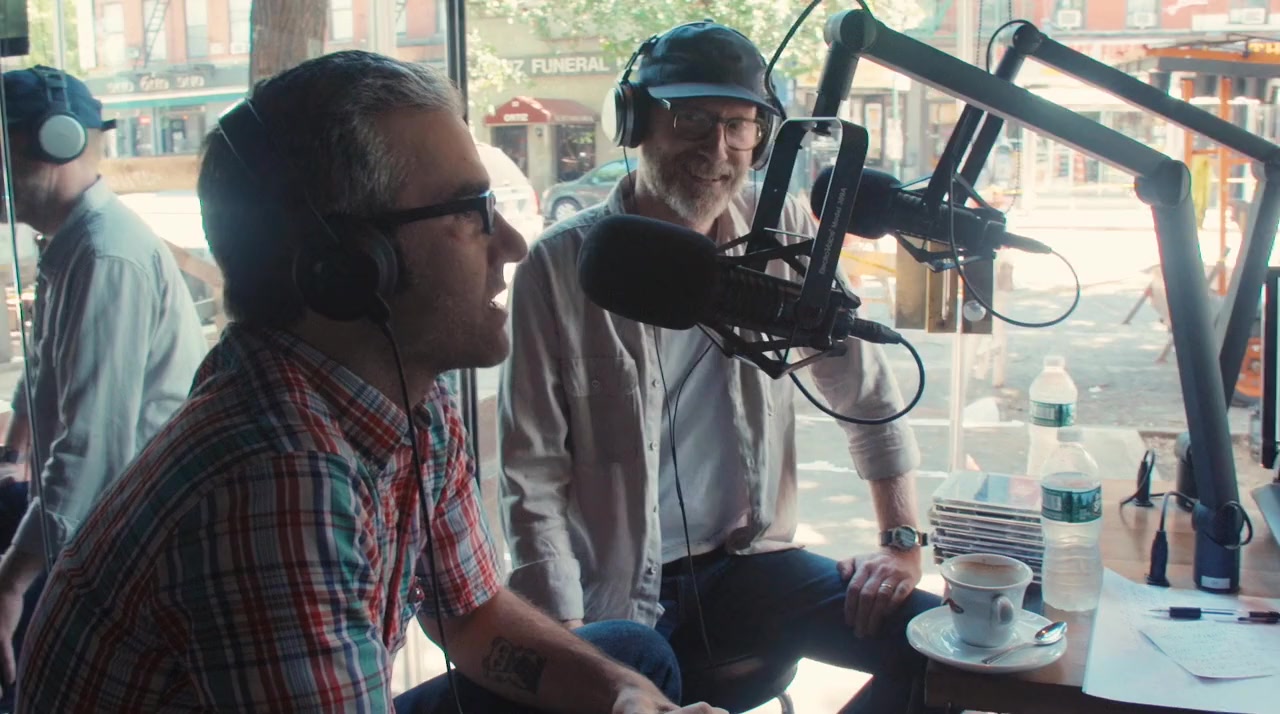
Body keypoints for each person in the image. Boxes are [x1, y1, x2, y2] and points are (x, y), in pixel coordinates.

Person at [13, 51, 723, 714]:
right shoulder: (277, 478)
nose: (510, 244)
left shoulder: (409, 397)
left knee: (629, 662)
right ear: (352, 264)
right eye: (470, 211)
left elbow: (472, 615)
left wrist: (627, 700)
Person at [499, 21, 942, 713]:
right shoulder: (559, 267)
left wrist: (901, 541)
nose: (718, 149)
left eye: (739, 126)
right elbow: (531, 476)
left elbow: (866, 393)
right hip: (613, 591)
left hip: (751, 564)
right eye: (693, 120)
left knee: (944, 646)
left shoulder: (785, 233)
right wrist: (569, 634)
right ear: (635, 123)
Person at [0, 65, 208, 700]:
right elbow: (44, 367)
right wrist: (12, 450)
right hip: (99, 521)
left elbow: (93, 451)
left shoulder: (104, 256)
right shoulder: (72, 246)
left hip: (123, 542)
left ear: (54, 142)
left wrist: (11, 581)